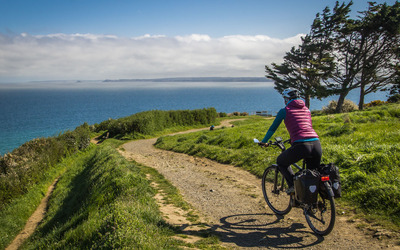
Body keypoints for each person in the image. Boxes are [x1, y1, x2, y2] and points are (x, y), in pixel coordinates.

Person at [259, 88, 322, 194]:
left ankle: (293, 186)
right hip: (316, 144)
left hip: (301, 145)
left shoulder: (285, 111)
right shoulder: (307, 110)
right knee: (313, 177)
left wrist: (264, 141)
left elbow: (272, 128)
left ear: (286, 99)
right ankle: (311, 205)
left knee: (281, 162)